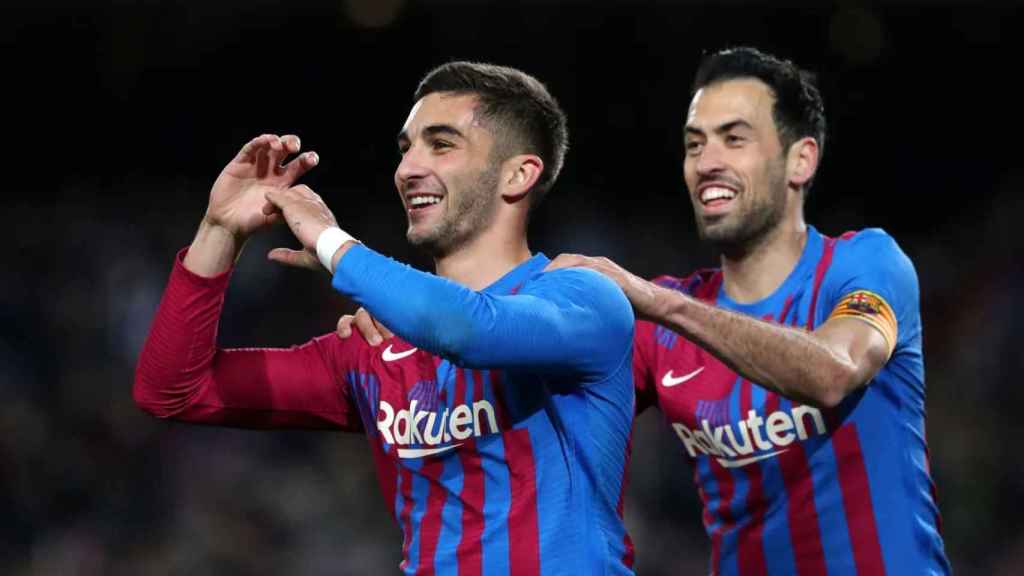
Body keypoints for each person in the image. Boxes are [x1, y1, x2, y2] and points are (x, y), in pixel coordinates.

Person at [342, 47, 951, 575]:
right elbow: (516, 375)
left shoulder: (864, 264)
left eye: (734, 139)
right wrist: (398, 340)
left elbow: (834, 371)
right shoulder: (652, 332)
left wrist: (662, 304)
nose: (707, 161)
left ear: (802, 160)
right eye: (694, 144)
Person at [134, 61, 637, 575]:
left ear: (518, 174)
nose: (407, 169)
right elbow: (174, 389)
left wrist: (333, 244)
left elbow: (466, 329)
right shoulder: (375, 346)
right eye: (406, 148)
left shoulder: (585, 300)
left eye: (441, 144)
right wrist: (220, 229)